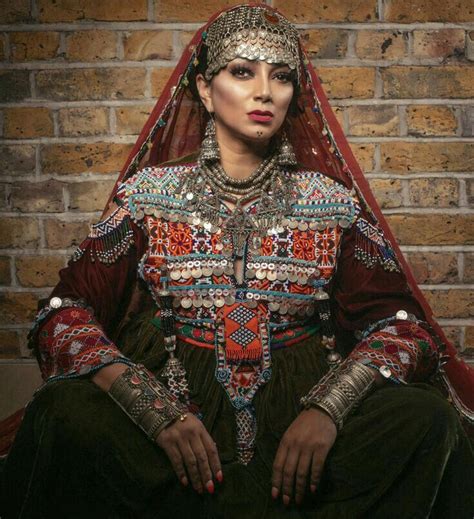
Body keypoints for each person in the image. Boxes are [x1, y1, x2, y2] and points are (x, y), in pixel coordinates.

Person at [1, 4, 473, 518]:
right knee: (60, 414)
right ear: (205, 89)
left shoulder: (330, 201)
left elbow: (403, 329)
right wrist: (149, 407)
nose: (265, 92)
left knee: (427, 420)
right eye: (243, 72)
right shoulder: (150, 195)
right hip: (177, 408)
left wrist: (330, 409)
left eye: (282, 77)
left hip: (300, 410)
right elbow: (62, 314)